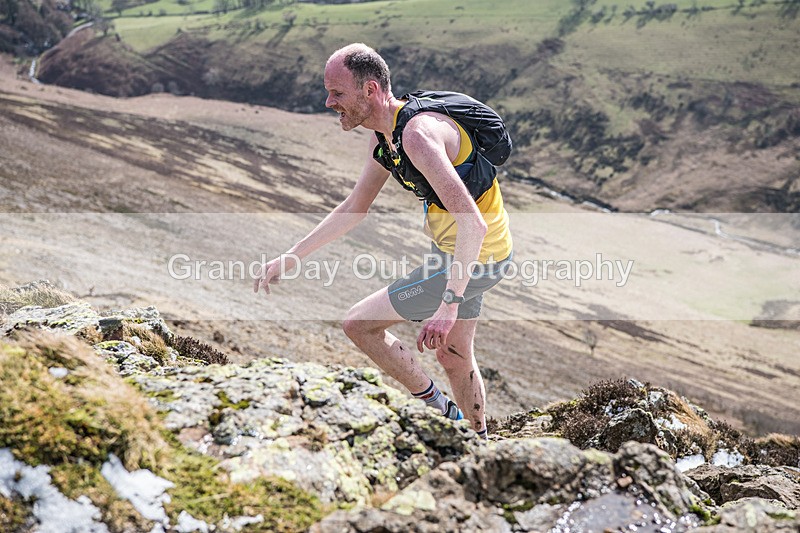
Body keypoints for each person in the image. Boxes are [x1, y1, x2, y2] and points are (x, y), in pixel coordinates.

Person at [254, 43, 513, 438]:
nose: (328, 102)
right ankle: (479, 439)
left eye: (337, 93)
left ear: (370, 90)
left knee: (359, 324)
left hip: (474, 256)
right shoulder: (387, 140)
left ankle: (444, 415)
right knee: (454, 356)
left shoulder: (416, 136)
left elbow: (473, 224)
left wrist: (449, 303)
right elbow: (353, 208)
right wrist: (290, 257)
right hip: (462, 253)